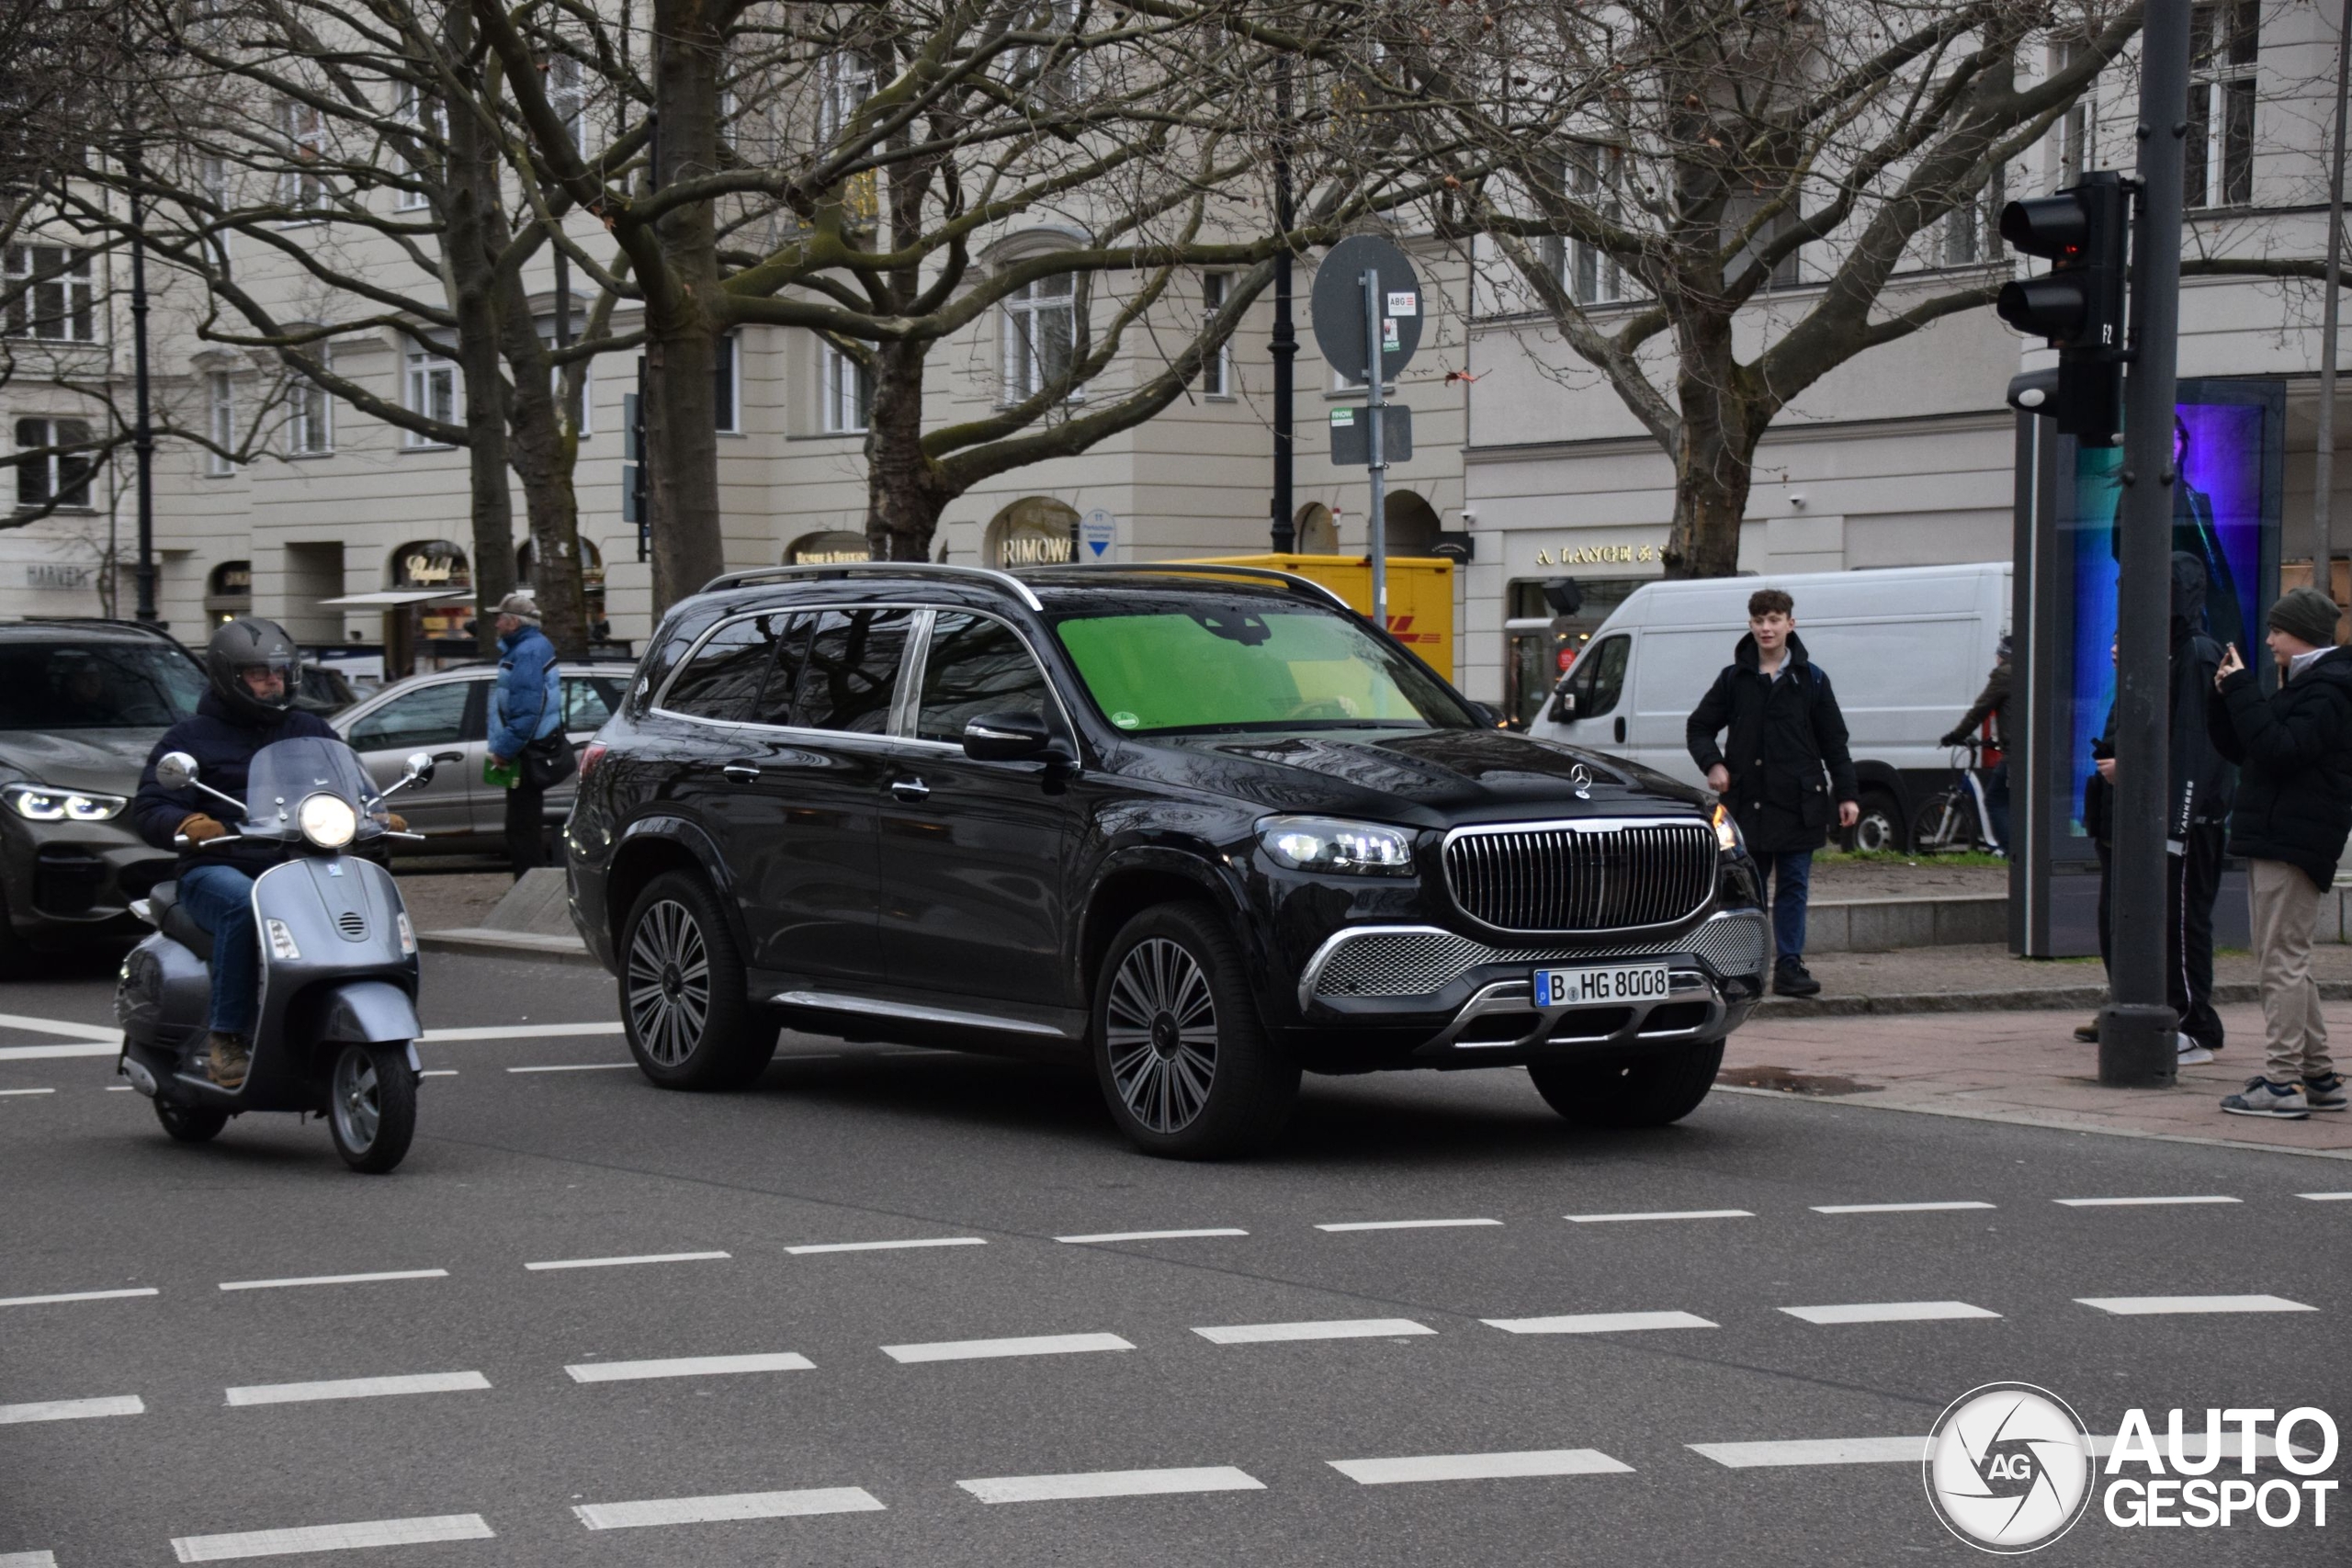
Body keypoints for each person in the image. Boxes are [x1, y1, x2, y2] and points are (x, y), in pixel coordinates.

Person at [130, 620, 401, 1089]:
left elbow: (349, 787)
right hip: (221, 866)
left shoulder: (311, 729)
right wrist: (185, 823)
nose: (274, 681)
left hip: (304, 862)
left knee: (365, 891)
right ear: (227, 678)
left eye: (280, 672)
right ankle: (227, 1037)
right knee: (243, 905)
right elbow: (152, 804)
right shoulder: (189, 739)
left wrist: (375, 813)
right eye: (260, 673)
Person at [2075, 557, 2234, 1061]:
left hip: (2182, 821)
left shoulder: (2194, 655)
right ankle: (2158, 1009)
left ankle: (2194, 1024)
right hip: (2150, 816)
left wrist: (2171, 816)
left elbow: (2193, 746)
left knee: (2183, 923)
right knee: (2141, 919)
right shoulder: (2164, 657)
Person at [2207, 584, 2352, 1119]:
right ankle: (2318, 1075)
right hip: (2285, 834)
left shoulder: (2330, 688)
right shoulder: (2314, 682)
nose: (2269, 640)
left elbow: (2279, 750)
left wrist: (2242, 689)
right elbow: (2250, 745)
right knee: (2286, 959)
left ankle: (2282, 1082)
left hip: (2292, 838)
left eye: (2276, 630)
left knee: (2281, 963)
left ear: (2302, 634)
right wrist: (2225, 696)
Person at [1687, 588, 1859, 998]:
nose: (1767, 628)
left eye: (1774, 620)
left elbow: (1834, 741)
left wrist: (1847, 794)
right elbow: (1699, 726)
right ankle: (1748, 965)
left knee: (1794, 884)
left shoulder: (1811, 679)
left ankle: (1789, 964)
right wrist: (1714, 764)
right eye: (1759, 621)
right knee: (1748, 887)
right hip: (1749, 802)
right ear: (1750, 625)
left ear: (1790, 624)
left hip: (1800, 801)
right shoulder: (1734, 679)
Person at [485, 592, 562, 878]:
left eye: (500, 619)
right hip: (530, 747)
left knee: (521, 828)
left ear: (514, 622)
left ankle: (529, 886)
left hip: (525, 752)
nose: (496, 624)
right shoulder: (530, 647)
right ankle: (528, 883)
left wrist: (504, 750)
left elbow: (527, 710)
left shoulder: (527, 652)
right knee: (522, 825)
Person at [1939, 635, 2012, 852]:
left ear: (2002, 655)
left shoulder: (2004, 674)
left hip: (2016, 755)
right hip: (2034, 751)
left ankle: (2010, 850)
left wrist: (1955, 735)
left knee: (1994, 800)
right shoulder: (2030, 670)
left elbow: (1979, 711)